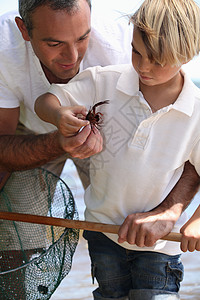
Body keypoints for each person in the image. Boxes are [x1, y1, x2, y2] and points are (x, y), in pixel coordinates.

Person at [0, 0, 200, 298]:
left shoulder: (120, 46)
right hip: (100, 230)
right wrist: (58, 118)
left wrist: (190, 220)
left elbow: (192, 163)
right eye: (137, 53)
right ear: (24, 30)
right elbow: (37, 110)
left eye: (82, 38)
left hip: (159, 248)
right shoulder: (105, 78)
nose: (143, 66)